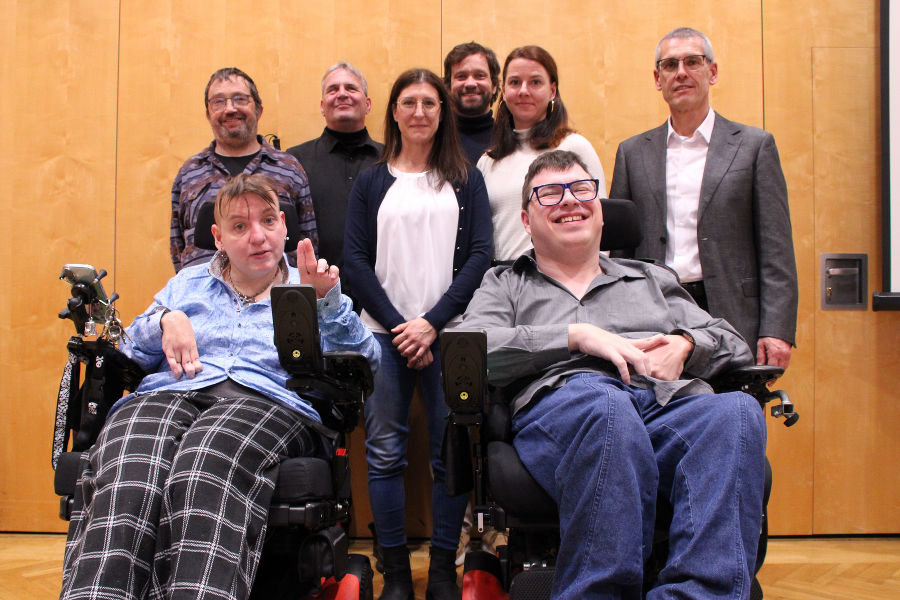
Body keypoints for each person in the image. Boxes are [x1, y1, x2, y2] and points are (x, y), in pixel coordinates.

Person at [459, 150, 766, 599]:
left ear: (601, 212)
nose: (570, 200)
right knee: (606, 407)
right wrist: (575, 337)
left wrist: (685, 344)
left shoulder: (651, 279)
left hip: (662, 403)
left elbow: (731, 341)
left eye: (582, 189)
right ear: (526, 220)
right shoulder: (506, 283)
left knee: (736, 412)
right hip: (569, 407)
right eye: (550, 193)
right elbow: (469, 351)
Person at [60, 173, 378, 600]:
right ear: (218, 238)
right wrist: (166, 320)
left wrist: (328, 304)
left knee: (204, 461)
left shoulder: (310, 286)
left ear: (284, 225)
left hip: (263, 401)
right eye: (240, 226)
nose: (258, 236)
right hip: (169, 393)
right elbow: (130, 350)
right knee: (130, 465)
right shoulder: (187, 284)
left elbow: (366, 360)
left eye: (268, 221)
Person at [343, 68, 493, 600]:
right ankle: (397, 577)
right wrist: (399, 326)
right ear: (393, 112)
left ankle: (444, 572)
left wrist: (431, 323)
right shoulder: (371, 181)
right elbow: (355, 261)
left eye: (430, 102)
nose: (420, 112)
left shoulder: (466, 179)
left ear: (442, 111)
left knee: (449, 455)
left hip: (450, 336)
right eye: (409, 102)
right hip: (382, 336)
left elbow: (480, 255)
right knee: (385, 454)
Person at [609, 27, 798, 368]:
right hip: (655, 312)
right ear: (657, 79)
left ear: (712, 72)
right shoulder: (632, 153)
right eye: (670, 65)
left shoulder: (754, 147)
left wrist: (777, 330)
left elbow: (776, 249)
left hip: (732, 313)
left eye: (692, 62)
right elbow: (620, 254)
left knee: (733, 401)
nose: (681, 73)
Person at [170, 67, 317, 272]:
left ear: (259, 110)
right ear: (208, 114)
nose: (230, 109)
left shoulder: (289, 169)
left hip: (275, 291)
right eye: (218, 101)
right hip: (201, 291)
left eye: (240, 99)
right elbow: (177, 247)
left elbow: (308, 245)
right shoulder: (189, 173)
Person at [478, 45, 606, 261]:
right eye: (515, 82)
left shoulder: (574, 146)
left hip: (563, 273)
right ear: (503, 91)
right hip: (504, 275)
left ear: (552, 91)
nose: (524, 91)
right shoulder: (488, 161)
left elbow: (599, 224)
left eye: (535, 82)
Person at [287, 62, 383, 305]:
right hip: (316, 299)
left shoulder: (391, 159)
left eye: (351, 88)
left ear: (368, 104)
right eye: (333, 89)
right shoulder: (295, 161)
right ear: (322, 106)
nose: (341, 94)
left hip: (383, 298)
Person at [443, 41, 501, 164]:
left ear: (494, 86)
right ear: (448, 87)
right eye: (461, 76)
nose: (470, 84)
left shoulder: (509, 142)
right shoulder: (433, 140)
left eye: (479, 75)